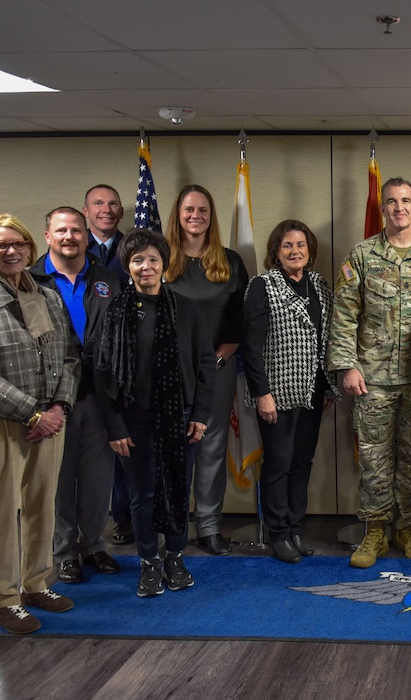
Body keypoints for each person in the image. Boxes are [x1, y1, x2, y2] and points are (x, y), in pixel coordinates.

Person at [0, 214, 79, 634]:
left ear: (31, 248)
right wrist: (32, 412)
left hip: (50, 420)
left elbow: (68, 356)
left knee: (40, 505)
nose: (11, 251)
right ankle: (3, 599)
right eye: (0, 245)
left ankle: (35, 584)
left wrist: (58, 408)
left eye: (18, 244)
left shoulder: (45, 297)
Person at [328, 177, 411, 568]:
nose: (399, 208)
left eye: (406, 201)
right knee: (375, 460)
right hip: (372, 379)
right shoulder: (361, 255)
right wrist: (347, 366)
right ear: (383, 209)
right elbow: (344, 315)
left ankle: (408, 526)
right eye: (391, 202)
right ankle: (376, 530)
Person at [95, 229, 214, 598]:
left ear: (164, 264)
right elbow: (102, 373)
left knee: (178, 489)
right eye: (137, 260)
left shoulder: (187, 308)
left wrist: (201, 413)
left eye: (152, 260)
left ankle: (175, 556)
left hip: (181, 417)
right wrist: (115, 425)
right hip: (135, 420)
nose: (145, 267)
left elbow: (206, 364)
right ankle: (149, 561)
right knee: (142, 494)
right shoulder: (114, 311)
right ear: (127, 267)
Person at [31, 207, 123, 584]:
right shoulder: (31, 281)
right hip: (52, 398)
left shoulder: (107, 279)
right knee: (59, 478)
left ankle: (93, 546)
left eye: (76, 231)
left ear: (86, 235)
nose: (69, 236)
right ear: (48, 236)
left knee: (98, 479)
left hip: (100, 395)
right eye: (61, 231)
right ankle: (63, 551)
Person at [243, 220, 338, 563]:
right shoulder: (261, 287)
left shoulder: (319, 285)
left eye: (300, 245)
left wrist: (328, 386)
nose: (294, 251)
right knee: (279, 462)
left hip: (313, 390)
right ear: (276, 252)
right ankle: (278, 532)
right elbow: (251, 348)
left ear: (310, 250)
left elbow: (325, 338)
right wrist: (261, 393)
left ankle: (296, 527)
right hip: (277, 392)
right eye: (287, 245)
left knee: (302, 461)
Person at [164, 184, 248, 556]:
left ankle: (210, 527)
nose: (195, 216)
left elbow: (240, 323)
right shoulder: (160, 259)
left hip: (218, 366)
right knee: (174, 450)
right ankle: (174, 527)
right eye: (188, 210)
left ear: (211, 217)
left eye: (203, 210)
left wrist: (214, 361)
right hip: (168, 372)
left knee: (212, 446)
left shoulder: (229, 262)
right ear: (177, 215)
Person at [82, 184, 133, 546]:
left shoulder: (135, 248)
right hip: (80, 373)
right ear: (86, 210)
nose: (106, 209)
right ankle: (83, 537)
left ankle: (125, 519)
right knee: (86, 458)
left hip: (125, 365)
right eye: (98, 203)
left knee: (124, 447)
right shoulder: (71, 250)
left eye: (113, 203)